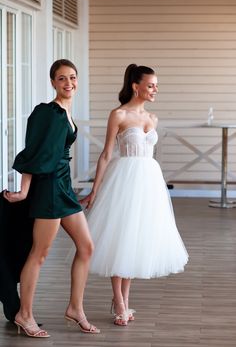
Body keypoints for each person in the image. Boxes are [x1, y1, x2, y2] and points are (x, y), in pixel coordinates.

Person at [81, 64, 189, 326]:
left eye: (156, 85)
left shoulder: (153, 118)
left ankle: (125, 301)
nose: (155, 90)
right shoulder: (118, 115)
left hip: (149, 181)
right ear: (135, 86)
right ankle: (118, 301)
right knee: (119, 236)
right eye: (150, 85)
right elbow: (107, 154)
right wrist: (94, 189)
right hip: (123, 178)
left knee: (135, 239)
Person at [3, 59, 100, 337]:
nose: (68, 83)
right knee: (40, 253)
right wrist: (24, 190)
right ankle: (24, 314)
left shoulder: (67, 112)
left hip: (64, 187)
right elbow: (33, 152)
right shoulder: (47, 112)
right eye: (61, 79)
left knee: (86, 247)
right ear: (52, 82)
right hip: (48, 188)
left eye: (72, 77)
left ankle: (75, 308)